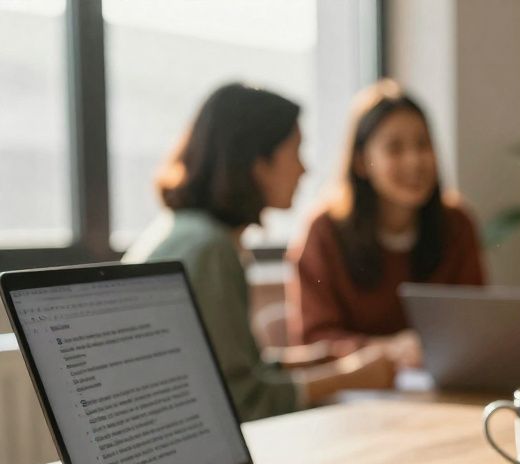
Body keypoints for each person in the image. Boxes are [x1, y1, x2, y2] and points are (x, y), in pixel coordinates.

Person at [125, 83, 394, 422]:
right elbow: (240, 400)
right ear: (257, 162)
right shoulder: (210, 251)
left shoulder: (182, 232)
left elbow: (232, 370)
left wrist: (319, 357)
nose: (304, 169)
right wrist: (351, 376)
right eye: (295, 152)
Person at [285, 80, 485, 369]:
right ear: (361, 163)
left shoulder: (456, 224)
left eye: (423, 144)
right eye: (395, 148)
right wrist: (388, 350)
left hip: (443, 390)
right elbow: (313, 339)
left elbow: (475, 324)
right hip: (351, 396)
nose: (415, 161)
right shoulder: (324, 231)